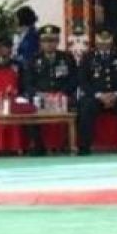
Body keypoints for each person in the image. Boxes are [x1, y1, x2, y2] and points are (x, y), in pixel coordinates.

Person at [76, 29, 117, 154]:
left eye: (107, 44)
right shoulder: (88, 57)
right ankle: (85, 145)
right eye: (101, 44)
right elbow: (83, 80)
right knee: (85, 106)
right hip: (96, 96)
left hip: (116, 95)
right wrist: (99, 95)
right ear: (96, 43)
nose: (104, 46)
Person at [24, 25, 79, 154]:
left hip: (62, 96)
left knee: (79, 107)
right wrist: (39, 94)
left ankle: (70, 144)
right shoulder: (33, 59)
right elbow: (27, 82)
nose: (49, 44)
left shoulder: (67, 58)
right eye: (45, 41)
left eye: (52, 41)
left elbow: (74, 79)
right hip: (40, 97)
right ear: (41, 43)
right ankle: (37, 145)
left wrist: (62, 93)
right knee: (29, 110)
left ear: (57, 42)